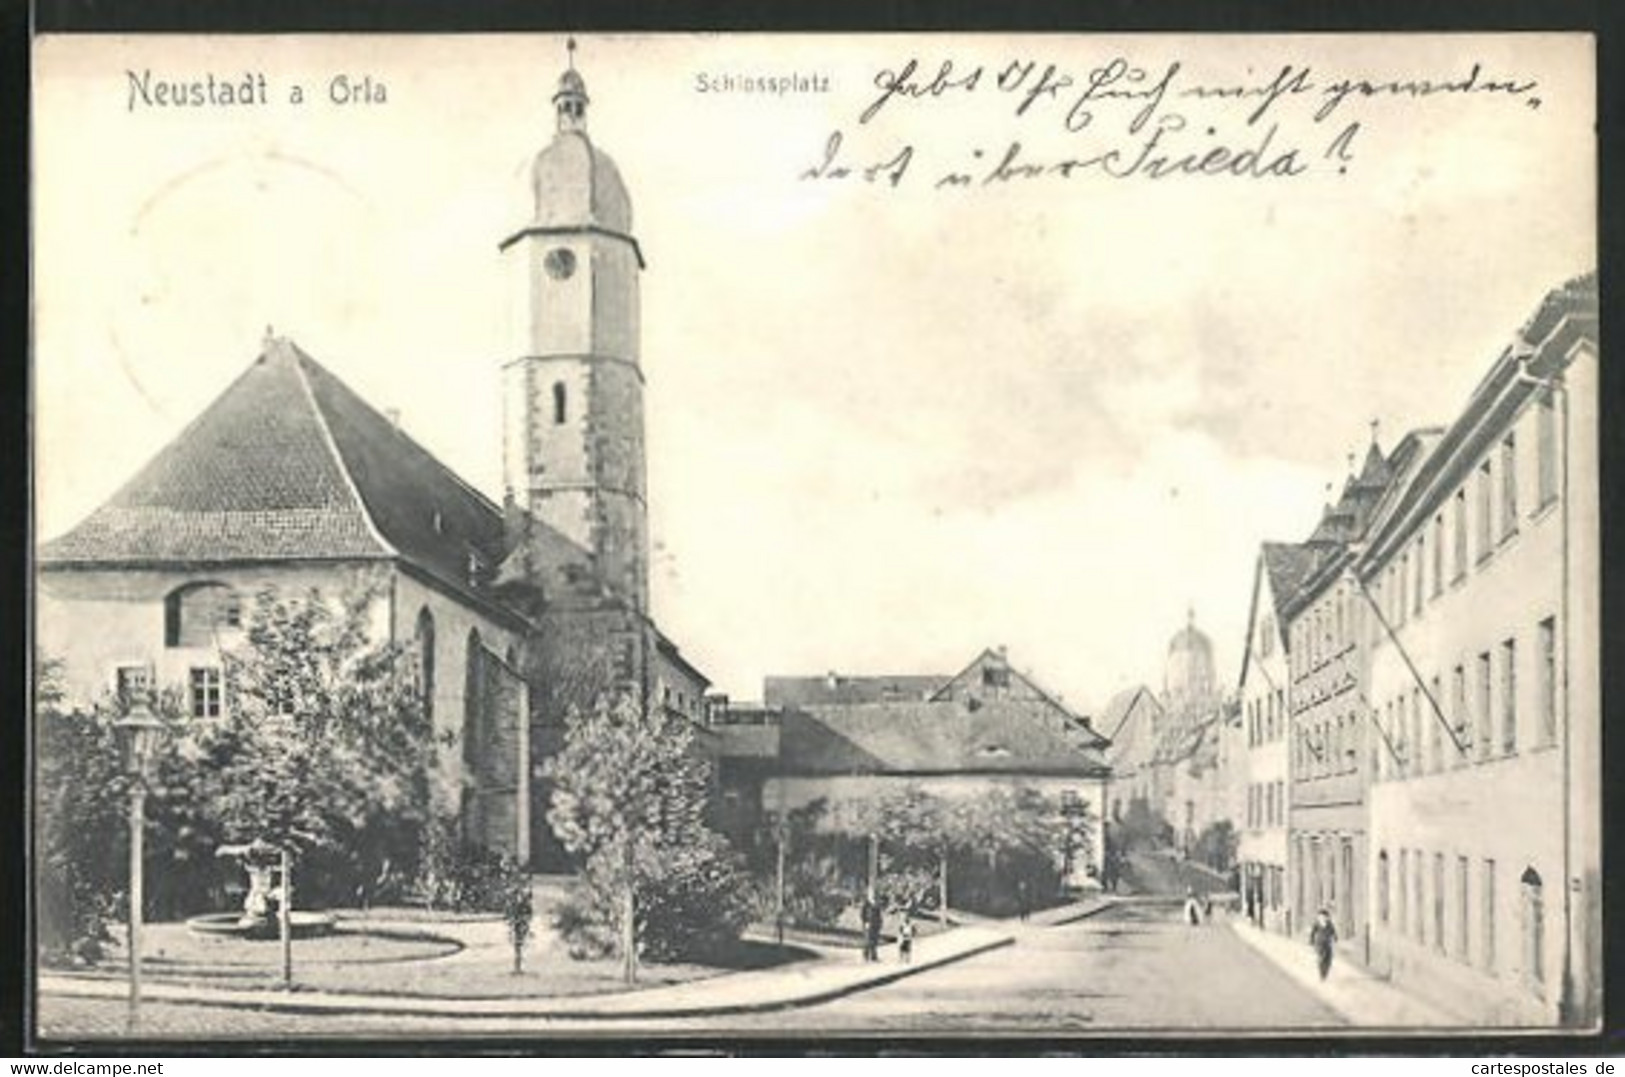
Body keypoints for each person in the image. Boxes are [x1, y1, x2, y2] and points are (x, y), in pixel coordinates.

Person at [1310, 907, 1338, 980]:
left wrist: (1335, 937)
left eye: (1324, 916)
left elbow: (1333, 931)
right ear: (1319, 917)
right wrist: (1311, 940)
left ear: (1327, 917)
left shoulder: (1329, 923)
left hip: (1328, 943)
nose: (1323, 918)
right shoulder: (1317, 923)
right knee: (1321, 958)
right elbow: (1313, 932)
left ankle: (1325, 972)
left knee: (1328, 959)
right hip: (1320, 943)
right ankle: (1322, 973)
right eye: (1321, 916)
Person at [861, 895, 882, 963]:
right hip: (868, 924)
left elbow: (879, 915)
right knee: (867, 941)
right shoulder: (866, 905)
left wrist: (880, 924)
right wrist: (865, 922)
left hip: (875, 925)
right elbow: (862, 915)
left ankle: (874, 957)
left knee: (874, 941)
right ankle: (866, 956)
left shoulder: (876, 904)